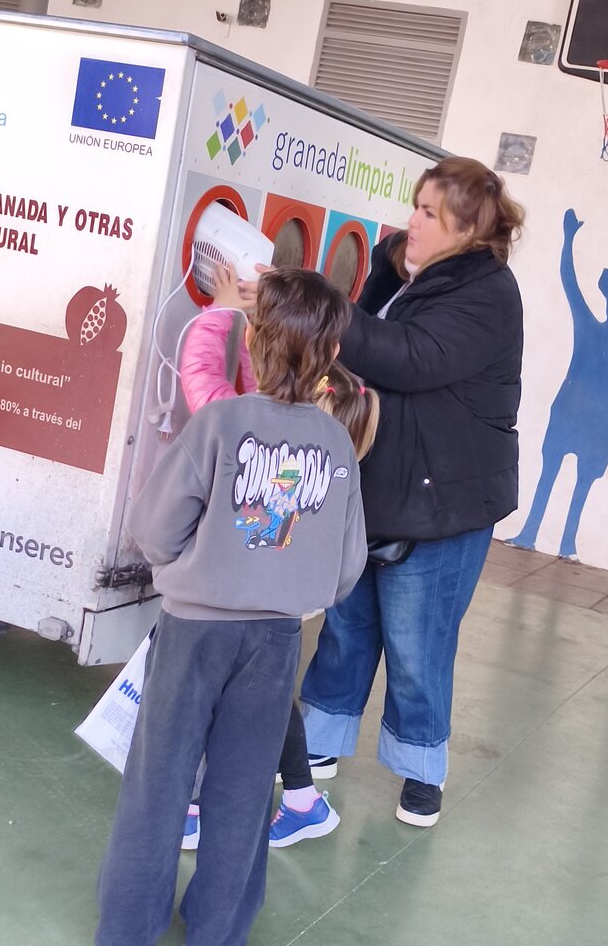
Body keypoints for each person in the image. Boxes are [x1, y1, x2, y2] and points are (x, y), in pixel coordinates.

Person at [95, 268, 367, 946]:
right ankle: (217, 929)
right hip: (274, 640)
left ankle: (129, 928)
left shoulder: (219, 422)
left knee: (160, 782)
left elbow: (153, 528)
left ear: (251, 339)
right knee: (244, 791)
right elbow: (346, 565)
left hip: (193, 629)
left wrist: (185, 573)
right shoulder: (337, 443)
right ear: (333, 354)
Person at [297, 156, 525, 828]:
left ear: (468, 229)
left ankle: (422, 771)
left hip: (442, 501)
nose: (412, 222)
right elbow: (358, 340)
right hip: (377, 484)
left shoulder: (488, 293)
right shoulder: (409, 271)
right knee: (346, 626)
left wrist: (314, 304)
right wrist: (382, 271)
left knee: (418, 645)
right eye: (415, 207)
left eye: (430, 212)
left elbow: (407, 358)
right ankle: (321, 738)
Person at [178, 263, 379, 851]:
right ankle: (302, 799)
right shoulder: (323, 450)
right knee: (267, 692)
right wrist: (254, 330)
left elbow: (205, 382)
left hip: (235, 594)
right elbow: (262, 390)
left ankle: (194, 805)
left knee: (213, 692)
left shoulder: (245, 432)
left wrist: (223, 312)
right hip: (286, 597)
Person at [505, 208, 608, 559]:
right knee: (576, 484)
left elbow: (569, 281)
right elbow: (569, 282)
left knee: (552, 476)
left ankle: (536, 534)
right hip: (592, 419)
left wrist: (568, 239)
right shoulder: (589, 326)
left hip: (573, 412)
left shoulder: (588, 325)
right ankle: (563, 543)